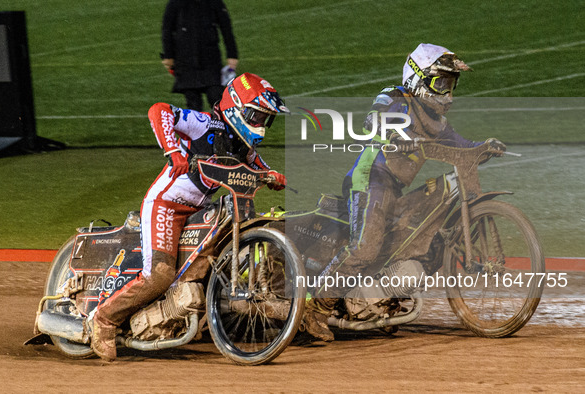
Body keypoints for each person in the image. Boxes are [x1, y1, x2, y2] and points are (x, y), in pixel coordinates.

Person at [302, 43, 506, 342]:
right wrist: (400, 133)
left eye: (450, 84)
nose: (447, 92)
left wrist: (483, 148)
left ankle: (374, 300)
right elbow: (373, 119)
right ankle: (315, 308)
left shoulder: (436, 122)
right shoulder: (396, 97)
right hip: (370, 178)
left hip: (394, 188)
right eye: (440, 83)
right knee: (366, 247)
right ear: (417, 78)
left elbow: (461, 146)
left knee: (422, 242)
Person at [91, 73, 289, 361]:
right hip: (166, 206)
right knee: (159, 276)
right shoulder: (207, 124)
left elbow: (255, 164)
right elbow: (159, 111)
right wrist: (173, 151)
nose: (260, 125)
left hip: (198, 211)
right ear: (236, 108)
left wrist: (271, 176)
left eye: (265, 119)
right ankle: (103, 320)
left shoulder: (242, 146)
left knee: (209, 264)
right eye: (256, 116)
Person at [161, 0, 239, 111]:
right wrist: (168, 55)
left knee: (216, 100)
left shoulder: (214, 2)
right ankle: (200, 128)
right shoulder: (176, 3)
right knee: (193, 105)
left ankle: (220, 128)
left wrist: (232, 54)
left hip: (210, 60)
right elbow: (167, 29)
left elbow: (225, 27)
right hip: (186, 61)